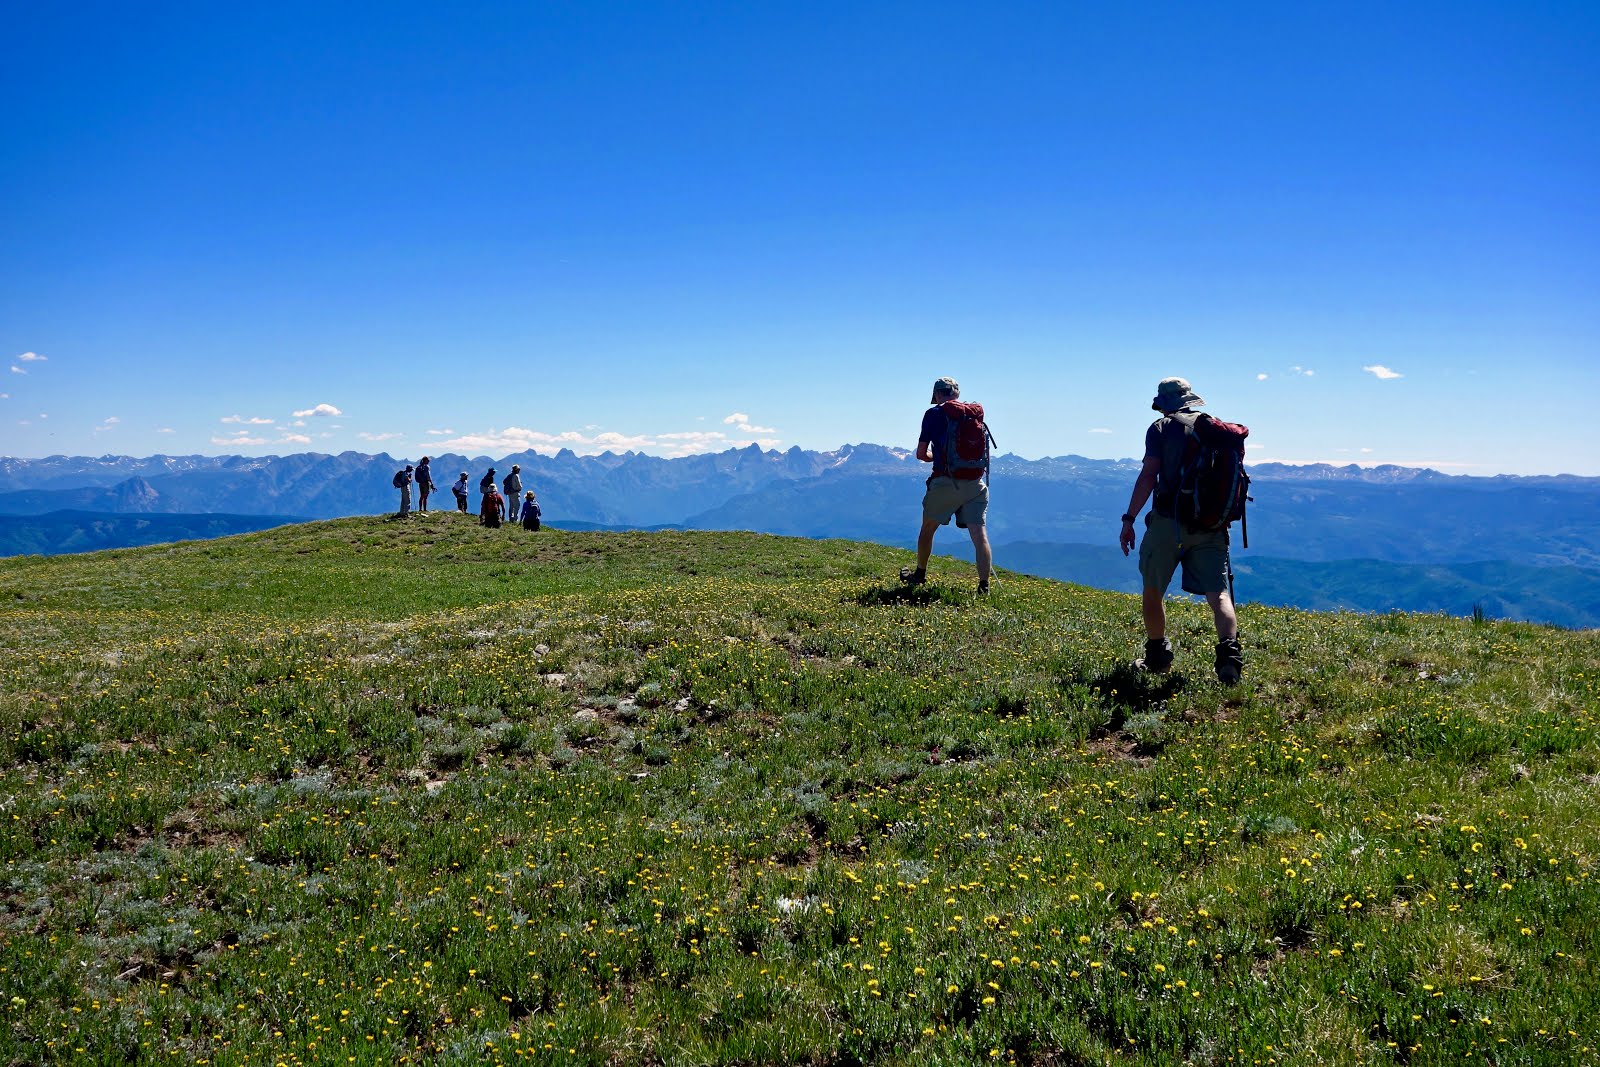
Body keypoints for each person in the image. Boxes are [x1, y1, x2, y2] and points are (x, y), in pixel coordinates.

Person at [1119, 376, 1244, 684]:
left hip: (1167, 522)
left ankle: (1157, 658)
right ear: (1190, 399)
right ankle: (1229, 660)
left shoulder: (1161, 429)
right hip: (1210, 525)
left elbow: (1149, 476)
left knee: (1153, 589)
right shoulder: (1213, 429)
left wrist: (1129, 519)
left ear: (1163, 403)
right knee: (1220, 595)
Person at [899, 376, 993, 594]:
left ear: (938, 395)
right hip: (975, 483)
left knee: (928, 528)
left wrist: (938, 457)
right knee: (980, 535)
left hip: (946, 481)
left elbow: (921, 454)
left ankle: (919, 575)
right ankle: (983, 586)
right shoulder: (973, 414)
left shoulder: (933, 414)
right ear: (957, 394)